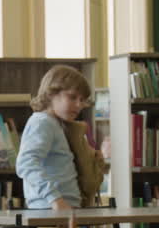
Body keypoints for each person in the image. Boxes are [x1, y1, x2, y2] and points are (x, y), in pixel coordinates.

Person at [15, 65, 106, 210]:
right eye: (72, 97)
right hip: (49, 209)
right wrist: (55, 200)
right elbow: (26, 163)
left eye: (82, 100)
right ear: (51, 93)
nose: (79, 105)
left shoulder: (57, 124)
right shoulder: (42, 123)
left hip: (62, 208)